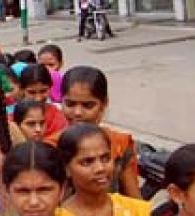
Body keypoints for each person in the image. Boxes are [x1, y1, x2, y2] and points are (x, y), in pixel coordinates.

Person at [54, 123, 150, 216]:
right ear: (66, 169)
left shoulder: (138, 212)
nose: (100, 168)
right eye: (87, 162)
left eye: (105, 158)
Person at [44, 66, 140, 199]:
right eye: (70, 104)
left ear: (104, 104)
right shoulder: (50, 148)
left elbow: (134, 199)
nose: (77, 113)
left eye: (87, 105)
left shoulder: (119, 145)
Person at [15, 64, 67, 136]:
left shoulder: (58, 115)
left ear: (50, 87)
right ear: (21, 90)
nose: (38, 98)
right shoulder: (11, 117)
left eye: (43, 91)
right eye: (32, 92)